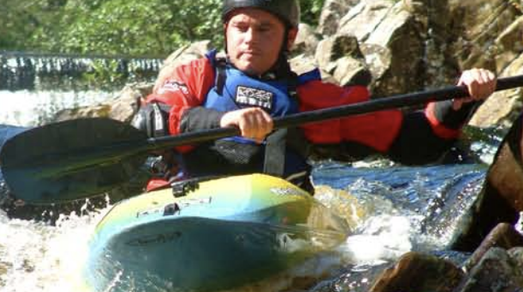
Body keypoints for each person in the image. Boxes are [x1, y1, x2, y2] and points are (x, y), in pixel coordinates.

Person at [132, 0, 497, 194]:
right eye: (240, 28)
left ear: (288, 39)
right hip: (180, 200)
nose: (250, 39)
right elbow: (150, 121)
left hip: (267, 212)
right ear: (226, 31)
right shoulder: (197, 76)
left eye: (264, 29)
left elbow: (414, 140)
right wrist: (224, 120)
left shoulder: (311, 98)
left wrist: (461, 100)